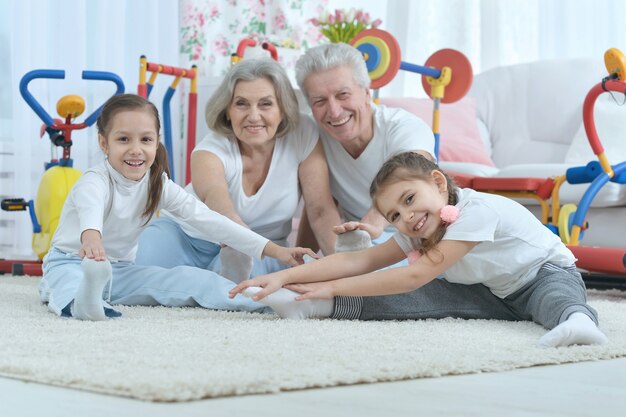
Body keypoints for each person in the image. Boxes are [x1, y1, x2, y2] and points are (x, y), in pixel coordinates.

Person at [230, 152, 609, 348]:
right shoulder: (416, 228)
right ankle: (315, 307)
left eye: (410, 200)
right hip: (494, 290)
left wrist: (333, 285)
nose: (407, 217)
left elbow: (415, 273)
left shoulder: (475, 212)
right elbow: (358, 260)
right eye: (394, 213)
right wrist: (286, 274)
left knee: (553, 298)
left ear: (438, 183)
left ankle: (578, 323)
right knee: (412, 297)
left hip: (541, 273)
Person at [39, 93, 317, 321]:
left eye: (145, 140)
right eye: (123, 139)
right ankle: (85, 302)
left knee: (189, 279)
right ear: (104, 143)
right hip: (71, 262)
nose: (136, 149)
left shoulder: (157, 184)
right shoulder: (94, 181)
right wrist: (91, 240)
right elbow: (91, 212)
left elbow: (211, 221)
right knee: (69, 286)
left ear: (156, 142)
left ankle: (263, 303)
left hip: (122, 270)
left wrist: (277, 250)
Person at [135, 58, 341, 282]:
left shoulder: (303, 133)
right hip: (187, 238)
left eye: (266, 104)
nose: (253, 116)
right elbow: (221, 206)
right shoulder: (209, 151)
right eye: (241, 104)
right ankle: (205, 282)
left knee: (247, 280)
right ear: (227, 111)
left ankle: (207, 283)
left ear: (283, 109)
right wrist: (239, 242)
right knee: (137, 272)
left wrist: (346, 266)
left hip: (263, 248)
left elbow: (320, 209)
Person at [293, 42, 436, 253]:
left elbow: (409, 180)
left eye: (343, 95)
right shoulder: (312, 135)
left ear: (367, 93)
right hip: (359, 245)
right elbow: (319, 209)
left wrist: (370, 227)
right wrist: (335, 265)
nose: (334, 111)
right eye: (320, 101)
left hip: (419, 238)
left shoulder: (404, 127)